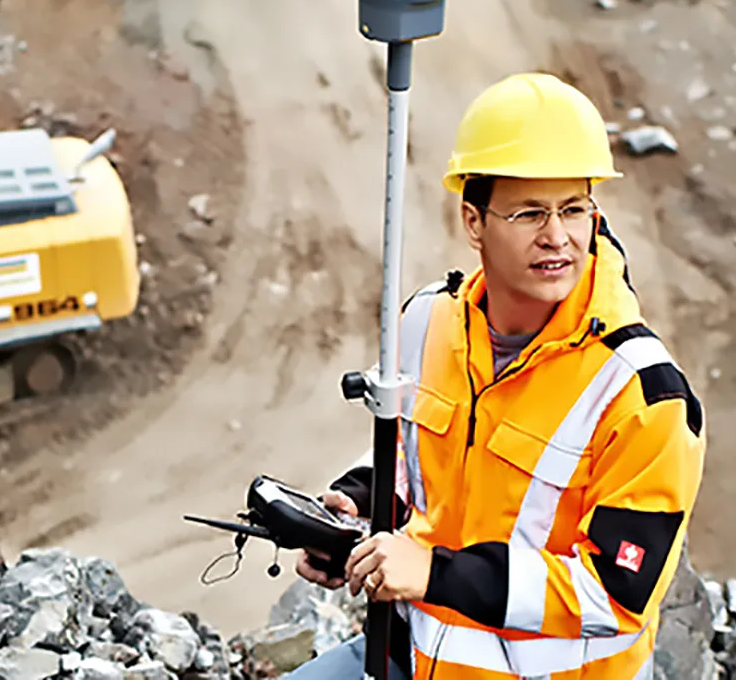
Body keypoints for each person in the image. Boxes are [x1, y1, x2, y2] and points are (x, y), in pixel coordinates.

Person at [284, 72, 706, 679]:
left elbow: (613, 595)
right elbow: (425, 470)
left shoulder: (644, 395)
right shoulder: (426, 322)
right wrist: (358, 509)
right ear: (474, 222)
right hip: (410, 655)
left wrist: (431, 574)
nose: (557, 236)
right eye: (530, 212)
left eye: (574, 209)